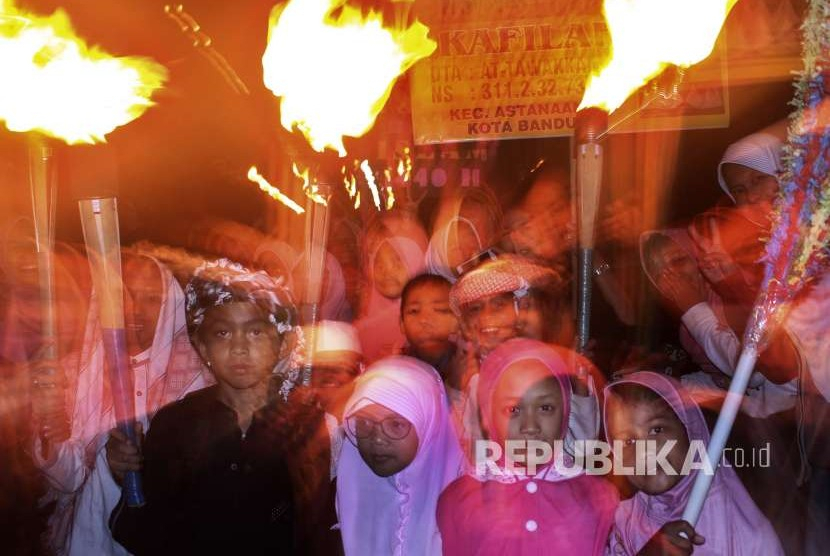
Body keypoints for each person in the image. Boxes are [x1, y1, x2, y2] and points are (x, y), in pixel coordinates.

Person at [109, 259, 301, 555]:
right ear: (201, 346)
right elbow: (146, 530)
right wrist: (127, 476)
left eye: (256, 332)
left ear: (284, 343)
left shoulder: (305, 427)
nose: (239, 348)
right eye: (223, 333)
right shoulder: (175, 426)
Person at [32, 253, 209, 556]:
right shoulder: (76, 372)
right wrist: (52, 434)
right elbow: (68, 479)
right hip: (87, 537)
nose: (135, 309)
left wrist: (136, 463)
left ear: (170, 303)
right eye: (123, 295)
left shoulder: (196, 383)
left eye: (151, 298)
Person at [437, 339, 618, 555]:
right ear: (488, 415)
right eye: (513, 409)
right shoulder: (460, 501)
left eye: (545, 407)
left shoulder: (599, 498)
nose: (530, 427)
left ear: (566, 411)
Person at [604, 371, 784, 555]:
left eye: (657, 429)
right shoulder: (624, 522)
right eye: (628, 441)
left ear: (691, 429)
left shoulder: (746, 534)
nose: (644, 451)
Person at [336, 356, 464, 555]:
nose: (377, 439)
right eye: (365, 423)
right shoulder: (345, 494)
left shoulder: (468, 504)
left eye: (396, 425)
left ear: (428, 428)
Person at [355, 231, 426, 364]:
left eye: (397, 261)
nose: (387, 271)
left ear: (416, 264)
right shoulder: (360, 332)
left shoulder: (428, 324)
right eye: (379, 264)